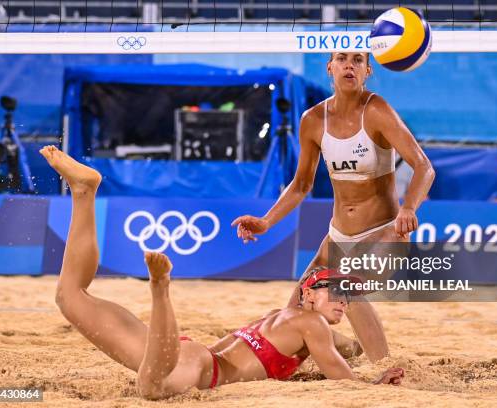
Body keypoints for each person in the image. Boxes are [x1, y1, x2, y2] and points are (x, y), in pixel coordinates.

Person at [38, 145, 404, 399]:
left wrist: (359, 346)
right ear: (307, 294)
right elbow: (342, 374)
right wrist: (374, 382)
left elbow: (345, 345)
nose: (342, 300)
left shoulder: (289, 317)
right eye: (332, 291)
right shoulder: (312, 325)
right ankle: (160, 288)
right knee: (150, 390)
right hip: (196, 368)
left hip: (183, 353)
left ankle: (83, 193)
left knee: (69, 296)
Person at [231, 52, 435, 363]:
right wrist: (265, 221)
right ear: (330, 67)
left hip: (384, 233)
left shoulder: (376, 109)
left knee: (343, 289)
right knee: (296, 312)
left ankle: (387, 370)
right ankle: (349, 350)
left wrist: (409, 208)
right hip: (338, 236)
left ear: (368, 70)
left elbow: (424, 167)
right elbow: (301, 185)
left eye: (357, 60)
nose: (349, 65)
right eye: (342, 59)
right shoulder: (312, 120)